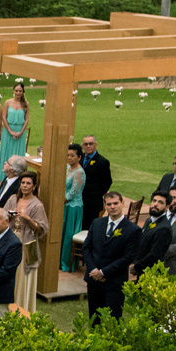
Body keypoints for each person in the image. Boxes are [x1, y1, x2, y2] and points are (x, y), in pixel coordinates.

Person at [82, 192, 142, 321]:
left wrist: (103, 273)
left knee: (112, 320)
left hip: (114, 282)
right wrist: (93, 270)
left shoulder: (133, 229)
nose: (112, 207)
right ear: (105, 205)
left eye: (115, 203)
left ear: (122, 203)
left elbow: (128, 257)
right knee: (94, 318)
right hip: (94, 281)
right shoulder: (97, 223)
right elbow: (86, 248)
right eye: (109, 204)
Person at [4, 172, 49, 313]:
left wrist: (27, 218)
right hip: (11, 240)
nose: (25, 186)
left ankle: (23, 307)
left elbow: (42, 228)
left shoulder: (37, 205)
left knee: (24, 276)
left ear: (34, 186)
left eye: (28, 183)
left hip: (28, 243)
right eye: (23, 183)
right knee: (11, 273)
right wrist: (9, 215)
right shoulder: (13, 199)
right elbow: (2, 216)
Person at [58, 144, 88, 272]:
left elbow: (73, 193)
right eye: (68, 155)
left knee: (68, 235)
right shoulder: (67, 168)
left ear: (79, 157)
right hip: (63, 204)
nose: (69, 158)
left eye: (72, 156)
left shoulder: (80, 172)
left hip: (72, 207)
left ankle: (66, 262)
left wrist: (58, 202)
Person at [131, 191, 173, 280]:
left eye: (160, 202)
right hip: (142, 271)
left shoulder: (164, 228)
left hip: (151, 275)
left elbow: (154, 255)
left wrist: (136, 267)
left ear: (167, 207)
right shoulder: (149, 220)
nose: (155, 204)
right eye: (154, 201)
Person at [78, 134, 112, 230]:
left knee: (88, 228)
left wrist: (95, 194)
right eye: (85, 144)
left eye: (90, 144)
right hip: (79, 200)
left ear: (95, 145)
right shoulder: (79, 158)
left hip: (92, 203)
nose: (88, 146)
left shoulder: (102, 162)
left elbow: (107, 182)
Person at [0, 83, 31, 172]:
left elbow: (26, 119)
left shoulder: (26, 104)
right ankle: (3, 174)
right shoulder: (8, 102)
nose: (18, 93)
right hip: (8, 131)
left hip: (20, 131)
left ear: (23, 92)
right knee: (5, 152)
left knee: (18, 153)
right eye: (16, 91)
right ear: (13, 91)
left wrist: (21, 132)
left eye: (20, 91)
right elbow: (4, 117)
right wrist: (10, 131)